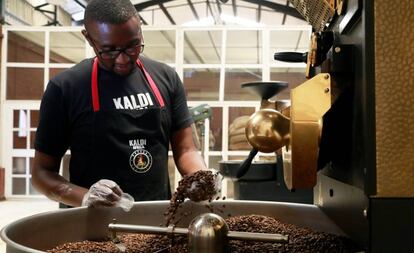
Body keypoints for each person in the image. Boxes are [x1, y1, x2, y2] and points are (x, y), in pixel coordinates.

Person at [31, 0, 211, 208]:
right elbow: (41, 173)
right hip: (90, 223)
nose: (123, 59)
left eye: (133, 46)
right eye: (109, 50)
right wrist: (85, 196)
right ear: (89, 38)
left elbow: (186, 150)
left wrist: (200, 176)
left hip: (155, 215)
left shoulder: (166, 78)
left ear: (140, 30)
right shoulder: (65, 88)